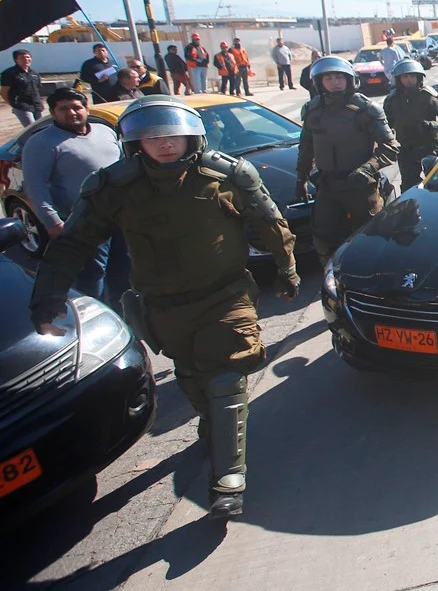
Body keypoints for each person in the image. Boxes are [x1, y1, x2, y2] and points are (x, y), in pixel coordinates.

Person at [27, 95, 300, 519]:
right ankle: (217, 432)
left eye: (173, 135)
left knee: (227, 379)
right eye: (153, 137)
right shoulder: (113, 187)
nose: (165, 144)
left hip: (225, 296)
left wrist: (287, 269)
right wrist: (48, 295)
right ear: (136, 143)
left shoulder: (227, 175)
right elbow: (73, 243)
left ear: (192, 136)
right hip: (163, 307)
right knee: (194, 382)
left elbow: (270, 222)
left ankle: (229, 480)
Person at [21, 87, 125, 300]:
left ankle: (124, 317)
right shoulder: (42, 142)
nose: (72, 113)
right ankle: (94, 320)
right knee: (93, 277)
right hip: (82, 222)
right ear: (52, 112)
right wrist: (53, 223)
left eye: (77, 107)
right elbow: (35, 185)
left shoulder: (104, 131)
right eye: (64, 109)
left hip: (120, 217)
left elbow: (125, 166)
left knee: (123, 271)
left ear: (87, 108)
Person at [297, 56, 399, 266]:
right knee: (323, 235)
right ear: (319, 82)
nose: (334, 82)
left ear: (349, 79)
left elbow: (390, 147)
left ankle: (372, 276)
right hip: (328, 184)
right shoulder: (312, 110)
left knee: (371, 235)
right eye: (329, 78)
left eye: (339, 77)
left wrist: (367, 168)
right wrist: (301, 177)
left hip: (361, 186)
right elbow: (306, 147)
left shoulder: (366, 109)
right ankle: (334, 275)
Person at [383, 59, 438, 194]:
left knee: (437, 187)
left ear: (418, 77)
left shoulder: (431, 96)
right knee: (409, 190)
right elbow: (385, 126)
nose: (409, 80)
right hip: (407, 151)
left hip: (430, 148)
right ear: (399, 79)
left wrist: (432, 126)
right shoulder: (391, 101)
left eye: (412, 76)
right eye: (405, 76)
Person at [1, 49, 44, 127]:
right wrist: (14, 105)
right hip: (22, 106)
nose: (26, 60)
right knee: (31, 129)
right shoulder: (9, 73)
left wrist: (40, 103)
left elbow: (37, 90)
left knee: (41, 128)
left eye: (28, 57)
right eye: (22, 58)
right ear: (16, 60)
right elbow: (4, 92)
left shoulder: (34, 73)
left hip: (36, 105)